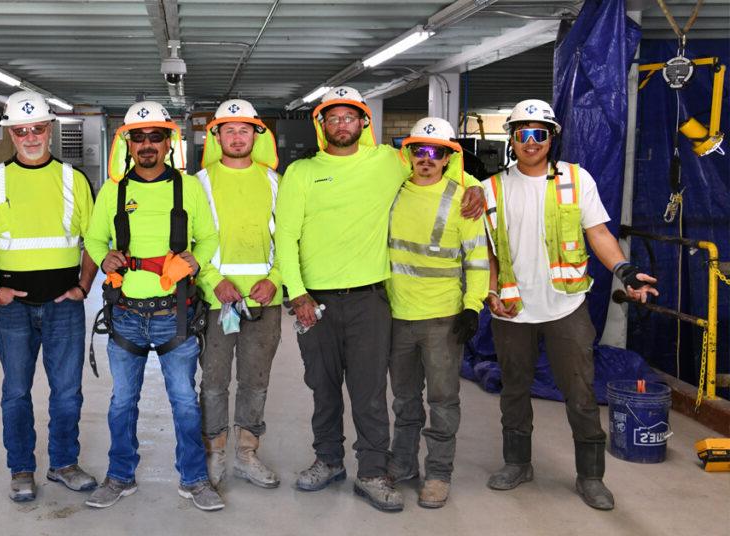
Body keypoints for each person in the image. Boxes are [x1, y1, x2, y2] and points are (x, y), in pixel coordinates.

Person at [274, 86, 484, 512]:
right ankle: (328, 460)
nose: (341, 124)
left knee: (370, 392)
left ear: (363, 122)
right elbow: (286, 237)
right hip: (314, 301)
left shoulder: (388, 162)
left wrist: (480, 191)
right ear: (322, 125)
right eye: (332, 118)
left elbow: (441, 172)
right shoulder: (301, 173)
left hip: (371, 301)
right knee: (323, 388)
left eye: (349, 117)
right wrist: (297, 295)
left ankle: (371, 472)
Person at [482, 99, 659, 510]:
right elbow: (487, 251)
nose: (530, 141)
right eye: (522, 133)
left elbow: (598, 233)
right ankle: (517, 463)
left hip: (565, 307)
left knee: (580, 392)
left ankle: (591, 476)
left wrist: (626, 271)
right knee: (513, 389)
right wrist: (490, 292)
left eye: (538, 133)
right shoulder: (490, 188)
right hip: (511, 310)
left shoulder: (577, 181)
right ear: (510, 138)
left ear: (551, 138)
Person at [83, 101, 224, 511]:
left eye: (155, 136)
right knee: (122, 402)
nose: (147, 144)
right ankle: (120, 476)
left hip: (174, 313)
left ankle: (195, 479)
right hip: (126, 313)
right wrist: (105, 257)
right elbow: (94, 240)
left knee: (183, 399)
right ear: (128, 142)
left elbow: (210, 238)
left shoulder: (189, 187)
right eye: (138, 137)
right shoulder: (114, 191)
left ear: (167, 142)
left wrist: (196, 260)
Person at [0, 91, 98, 503]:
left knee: (67, 391)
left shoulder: (73, 179)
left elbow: (94, 240)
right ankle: (21, 469)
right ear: (11, 134)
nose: (30, 137)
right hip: (13, 310)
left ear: (50, 129)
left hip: (64, 307)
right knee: (16, 391)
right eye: (21, 130)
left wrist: (83, 286)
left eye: (38, 128)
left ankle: (64, 463)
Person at [385, 117, 489, 509]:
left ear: (448, 158)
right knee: (404, 398)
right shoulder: (391, 192)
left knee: (443, 401)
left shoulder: (463, 199)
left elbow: (477, 261)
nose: (426, 158)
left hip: (443, 318)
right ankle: (403, 462)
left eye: (436, 152)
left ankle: (439, 473)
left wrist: (472, 306)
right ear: (408, 154)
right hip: (397, 315)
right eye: (419, 150)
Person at [195, 99, 282, 489]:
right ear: (216, 136)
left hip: (265, 301)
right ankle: (214, 454)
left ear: (256, 135)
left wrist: (276, 279)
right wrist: (213, 280)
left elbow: (289, 237)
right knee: (213, 381)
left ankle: (247, 453)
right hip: (217, 301)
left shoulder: (274, 181)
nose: (236, 136)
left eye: (244, 129)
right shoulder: (199, 183)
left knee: (254, 381)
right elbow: (193, 241)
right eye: (227, 130)